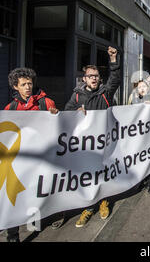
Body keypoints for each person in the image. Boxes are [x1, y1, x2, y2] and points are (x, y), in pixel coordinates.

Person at [0, 67, 58, 242]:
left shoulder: (47, 103)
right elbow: (1, 130)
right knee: (12, 197)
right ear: (15, 87)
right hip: (18, 160)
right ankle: (12, 235)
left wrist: (56, 115)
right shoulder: (11, 107)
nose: (28, 87)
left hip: (40, 158)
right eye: (23, 84)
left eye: (30, 83)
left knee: (37, 191)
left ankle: (36, 218)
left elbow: (59, 127)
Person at [65, 46, 121, 228]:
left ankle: (104, 201)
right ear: (85, 79)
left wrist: (113, 59)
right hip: (86, 145)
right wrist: (76, 112)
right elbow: (66, 113)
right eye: (90, 76)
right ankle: (88, 208)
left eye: (96, 76)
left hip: (104, 142)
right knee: (88, 175)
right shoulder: (77, 96)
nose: (94, 78)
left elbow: (116, 79)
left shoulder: (106, 92)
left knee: (104, 172)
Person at [129, 80, 150, 193]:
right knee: (140, 158)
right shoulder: (133, 98)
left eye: (144, 86)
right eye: (140, 87)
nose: (142, 88)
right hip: (138, 134)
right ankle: (140, 180)